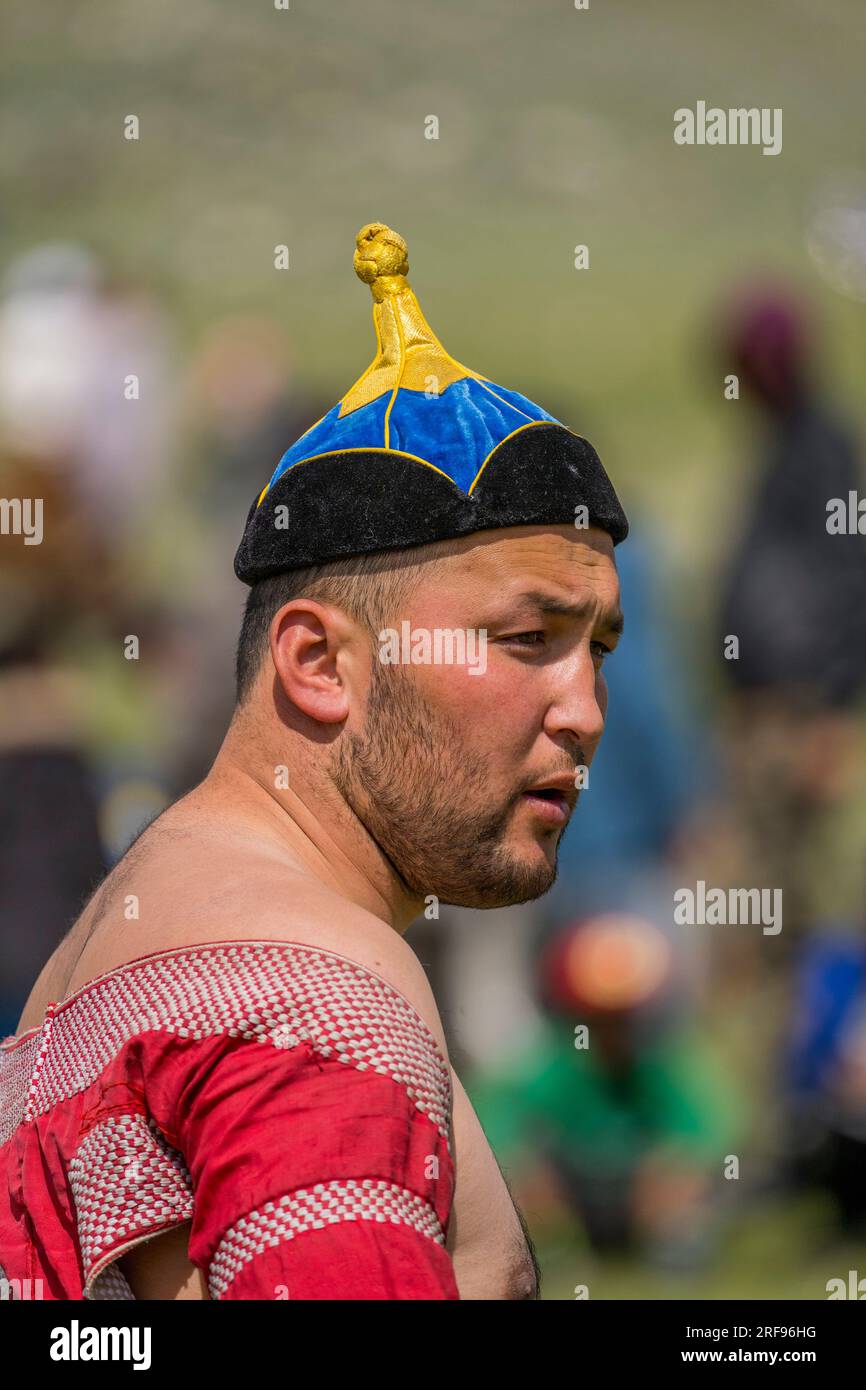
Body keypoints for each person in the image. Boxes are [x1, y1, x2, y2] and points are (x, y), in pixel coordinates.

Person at [0, 222, 628, 1301]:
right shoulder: (306, 992)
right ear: (318, 662)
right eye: (527, 639)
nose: (583, 710)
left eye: (598, 648)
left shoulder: (133, 927)